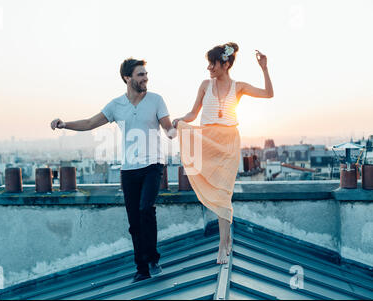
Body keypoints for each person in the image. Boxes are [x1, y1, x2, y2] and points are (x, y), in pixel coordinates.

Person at [51, 58, 176, 282]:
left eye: (146, 74)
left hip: (153, 165)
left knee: (146, 208)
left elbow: (167, 125)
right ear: (127, 78)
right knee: (134, 221)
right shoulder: (116, 105)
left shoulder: (156, 100)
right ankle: (142, 268)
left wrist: (172, 130)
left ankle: (152, 258)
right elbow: (90, 123)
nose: (145, 78)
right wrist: (64, 124)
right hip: (129, 169)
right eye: (140, 75)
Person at [172, 42, 273, 264]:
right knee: (215, 191)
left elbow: (268, 94)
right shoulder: (205, 85)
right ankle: (225, 241)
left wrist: (264, 68)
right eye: (208, 63)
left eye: (213, 63)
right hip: (207, 141)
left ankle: (223, 243)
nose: (209, 67)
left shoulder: (239, 87)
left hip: (228, 143)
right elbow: (192, 113)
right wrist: (179, 122)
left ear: (225, 64)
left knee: (223, 193)